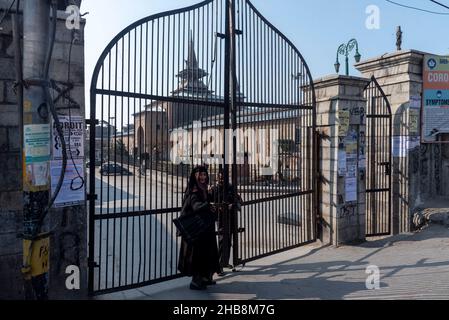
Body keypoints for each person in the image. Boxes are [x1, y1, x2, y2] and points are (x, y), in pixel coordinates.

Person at [177, 166, 221, 290]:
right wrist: (207, 205)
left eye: (204, 175)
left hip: (205, 228)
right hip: (197, 230)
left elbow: (207, 200)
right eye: (200, 175)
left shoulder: (203, 188)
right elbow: (196, 206)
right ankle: (196, 282)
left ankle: (206, 278)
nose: (203, 177)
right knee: (197, 256)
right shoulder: (194, 189)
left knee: (208, 253)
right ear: (195, 176)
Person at [210, 170, 242, 275]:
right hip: (220, 219)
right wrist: (218, 206)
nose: (221, 180)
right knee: (222, 240)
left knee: (228, 240)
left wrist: (232, 205)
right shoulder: (214, 189)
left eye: (223, 178)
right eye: (219, 178)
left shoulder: (230, 188)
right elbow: (209, 202)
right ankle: (219, 266)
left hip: (231, 217)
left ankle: (225, 262)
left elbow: (239, 200)